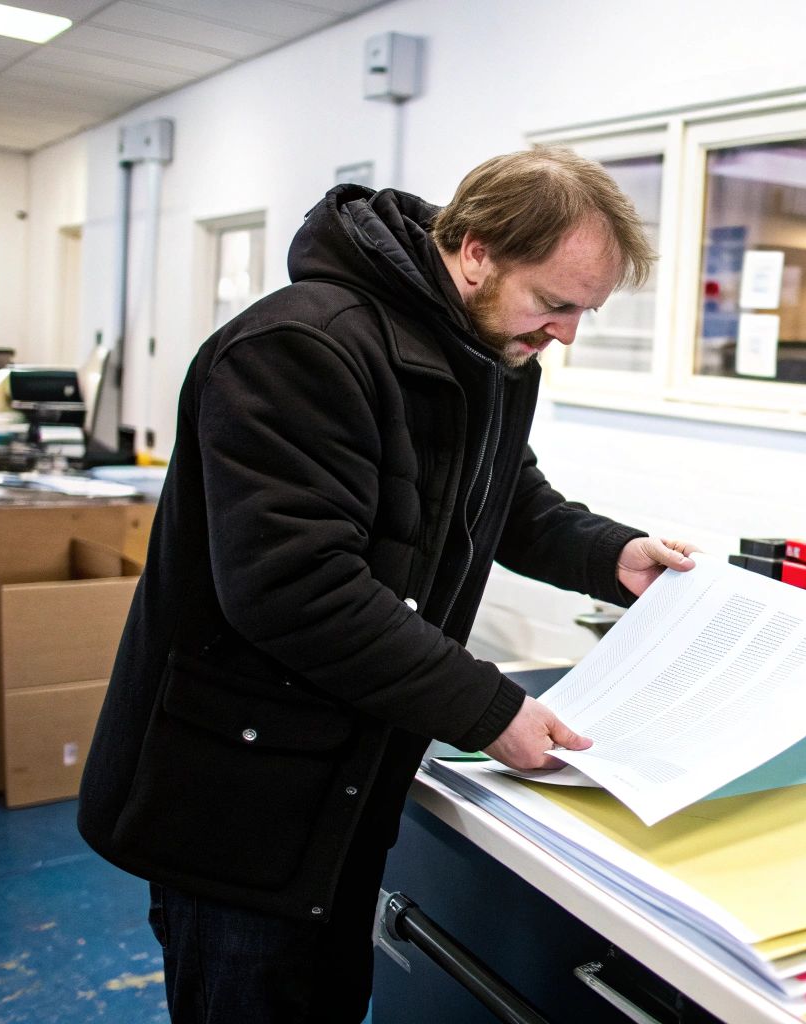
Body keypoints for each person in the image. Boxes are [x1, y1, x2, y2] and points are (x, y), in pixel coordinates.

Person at [78, 147, 696, 1022]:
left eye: (583, 311)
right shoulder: (301, 349)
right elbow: (295, 586)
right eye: (555, 304)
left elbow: (506, 503)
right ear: (476, 251)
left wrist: (614, 553)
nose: (566, 334)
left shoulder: (485, 357)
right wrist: (490, 711)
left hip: (343, 779)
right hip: (238, 797)